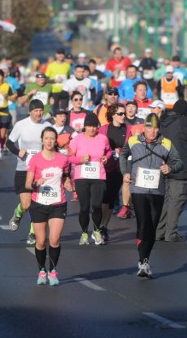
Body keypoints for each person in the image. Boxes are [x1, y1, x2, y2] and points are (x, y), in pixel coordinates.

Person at [120, 113, 183, 278]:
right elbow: (123, 154)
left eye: (155, 128)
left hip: (157, 191)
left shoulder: (167, 143)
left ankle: (145, 260)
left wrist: (170, 168)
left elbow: (179, 162)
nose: (152, 131)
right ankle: (143, 262)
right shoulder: (134, 140)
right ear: (144, 128)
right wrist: (125, 172)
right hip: (139, 190)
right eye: (149, 128)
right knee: (143, 224)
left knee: (152, 228)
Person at [26, 127, 73, 286]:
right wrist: (36, 183)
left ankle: (52, 271)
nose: (49, 141)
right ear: (42, 140)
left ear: (55, 140)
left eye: (52, 138)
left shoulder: (62, 159)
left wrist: (67, 183)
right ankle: (41, 271)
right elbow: (28, 184)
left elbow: (66, 174)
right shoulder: (35, 160)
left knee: (54, 240)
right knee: (40, 242)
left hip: (58, 204)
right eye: (46, 138)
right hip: (38, 203)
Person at [156, 99, 187, 242]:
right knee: (177, 200)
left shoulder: (164, 121)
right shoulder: (185, 123)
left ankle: (159, 231)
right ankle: (171, 233)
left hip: (163, 163)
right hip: (179, 166)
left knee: (166, 200)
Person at [6, 99, 52, 245]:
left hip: (41, 171)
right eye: (36, 110)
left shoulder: (47, 125)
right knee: (26, 204)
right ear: (30, 111)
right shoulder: (21, 125)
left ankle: (33, 233)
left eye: (41, 110)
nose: (39, 113)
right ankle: (18, 214)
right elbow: (9, 142)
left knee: (37, 204)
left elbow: (54, 143)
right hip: (23, 169)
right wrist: (18, 152)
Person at [68, 112, 111, 245]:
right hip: (82, 177)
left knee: (97, 206)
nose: (92, 129)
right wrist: (80, 159)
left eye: (94, 126)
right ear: (85, 127)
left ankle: (97, 231)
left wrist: (106, 157)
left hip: (98, 176)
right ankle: (85, 233)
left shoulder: (103, 138)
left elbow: (109, 151)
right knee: (84, 207)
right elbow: (69, 158)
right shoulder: (77, 139)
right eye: (89, 126)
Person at [98, 104, 131, 241]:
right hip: (104, 168)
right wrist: (109, 153)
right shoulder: (104, 129)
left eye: (124, 113)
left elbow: (132, 147)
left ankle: (104, 227)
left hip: (119, 168)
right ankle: (99, 224)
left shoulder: (128, 129)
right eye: (120, 114)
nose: (123, 116)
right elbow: (98, 146)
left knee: (110, 199)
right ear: (112, 115)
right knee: (102, 200)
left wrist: (122, 152)